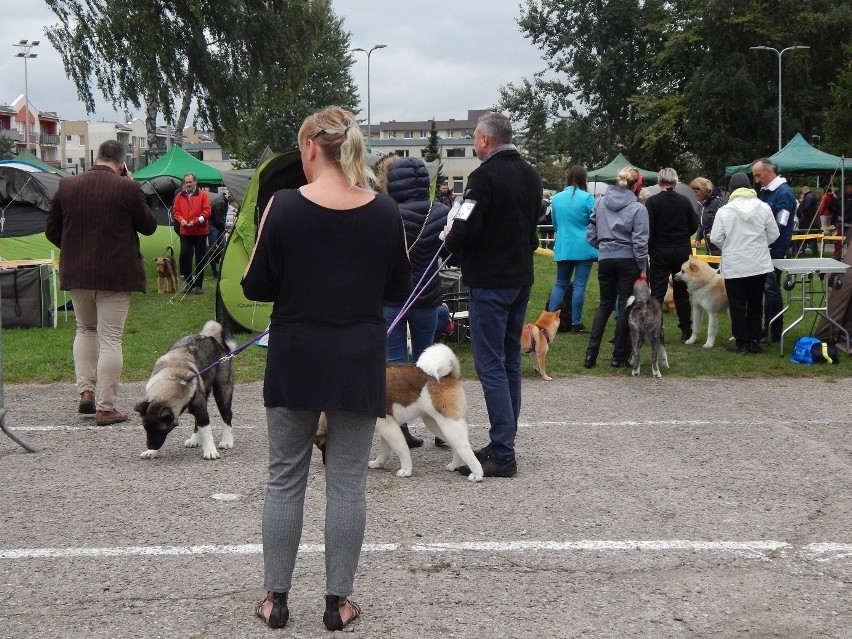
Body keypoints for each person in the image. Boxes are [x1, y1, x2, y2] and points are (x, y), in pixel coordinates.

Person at [241, 106, 411, 631]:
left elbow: (254, 285)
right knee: (347, 485)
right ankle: (338, 603)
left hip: (296, 355)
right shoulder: (384, 212)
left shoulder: (283, 206)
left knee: (285, 478)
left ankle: (276, 599)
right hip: (357, 357)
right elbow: (397, 288)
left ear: (312, 147)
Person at [444, 112, 542, 478]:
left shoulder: (482, 177)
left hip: (491, 280)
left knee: (490, 366)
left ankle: (503, 451)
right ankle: (504, 440)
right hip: (520, 277)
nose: (473, 143)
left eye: (473, 137)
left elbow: (466, 226)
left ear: (485, 140)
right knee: (509, 361)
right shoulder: (532, 175)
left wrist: (447, 244)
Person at [45, 139, 157, 426]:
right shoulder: (128, 187)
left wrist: (73, 250)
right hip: (115, 274)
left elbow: (52, 230)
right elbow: (148, 226)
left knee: (85, 329)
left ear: (95, 157)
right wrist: (133, 184)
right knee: (111, 339)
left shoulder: (67, 185)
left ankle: (85, 392)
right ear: (122, 163)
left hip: (78, 273)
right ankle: (105, 407)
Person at [375, 154, 450, 449]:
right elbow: (446, 253)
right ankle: (443, 425)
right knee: (430, 365)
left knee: (395, 367)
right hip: (427, 295)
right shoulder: (441, 211)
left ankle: (399, 430)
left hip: (392, 297)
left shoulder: (385, 211)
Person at [583, 167, 649, 369]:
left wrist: (602, 246)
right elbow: (640, 241)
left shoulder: (600, 202)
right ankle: (618, 356)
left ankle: (590, 355)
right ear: (636, 185)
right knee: (624, 307)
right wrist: (642, 267)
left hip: (605, 257)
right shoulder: (638, 209)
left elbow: (591, 229)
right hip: (628, 259)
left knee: (604, 305)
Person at [710, 172, 779, 354]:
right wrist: (760, 246)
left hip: (735, 264)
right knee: (756, 302)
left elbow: (716, 237)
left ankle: (741, 343)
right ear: (750, 187)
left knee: (737, 304)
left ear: (731, 190)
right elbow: (774, 234)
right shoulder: (763, 207)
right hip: (758, 263)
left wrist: (731, 246)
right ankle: (754, 340)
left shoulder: (724, 211)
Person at [646, 168, 698, 342]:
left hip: (660, 251)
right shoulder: (684, 201)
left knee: (658, 293)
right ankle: (686, 330)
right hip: (682, 250)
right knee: (681, 292)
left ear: (659, 182)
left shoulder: (652, 202)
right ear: (675, 183)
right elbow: (693, 225)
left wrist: (651, 246)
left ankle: (655, 332)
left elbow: (649, 228)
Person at [546, 165, 597, 332]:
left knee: (560, 283)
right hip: (584, 246)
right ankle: (576, 323)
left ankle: (550, 321)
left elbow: (554, 223)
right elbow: (596, 221)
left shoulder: (557, 198)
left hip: (564, 245)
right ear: (584, 179)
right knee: (580, 285)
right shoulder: (588, 198)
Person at [751, 158, 796, 342]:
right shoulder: (767, 192)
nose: (756, 179)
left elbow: (781, 225)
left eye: (758, 175)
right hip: (764, 248)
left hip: (774, 249)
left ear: (770, 172)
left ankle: (774, 332)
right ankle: (768, 327)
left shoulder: (783, 193)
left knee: (771, 289)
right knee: (766, 289)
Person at [172, 172, 211, 294]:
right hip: (185, 231)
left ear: (195, 182)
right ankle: (190, 281)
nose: (188, 184)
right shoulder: (179, 196)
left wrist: (195, 222)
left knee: (200, 258)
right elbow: (176, 211)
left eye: (190, 182)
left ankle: (199, 285)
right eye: (186, 182)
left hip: (200, 231)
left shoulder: (203, 195)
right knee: (184, 255)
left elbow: (207, 212)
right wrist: (181, 220)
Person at [690, 177, 727, 257]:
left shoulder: (719, 201)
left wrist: (714, 233)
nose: (695, 195)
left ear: (703, 189)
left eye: (697, 192)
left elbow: (726, 222)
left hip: (721, 249)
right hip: (709, 249)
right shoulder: (702, 204)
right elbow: (701, 223)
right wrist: (698, 238)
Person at [206, 188, 228, 276]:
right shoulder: (220, 202)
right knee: (213, 251)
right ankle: (215, 271)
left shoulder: (223, 200)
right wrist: (224, 228)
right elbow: (219, 219)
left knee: (223, 248)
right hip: (214, 227)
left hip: (216, 227)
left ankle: (221, 269)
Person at [793, 185, 819, 256]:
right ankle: (812, 253)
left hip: (806, 220)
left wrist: (801, 213)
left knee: (801, 236)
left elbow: (806, 207)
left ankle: (798, 252)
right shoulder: (810, 196)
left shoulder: (808, 197)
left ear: (804, 190)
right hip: (809, 219)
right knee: (811, 237)